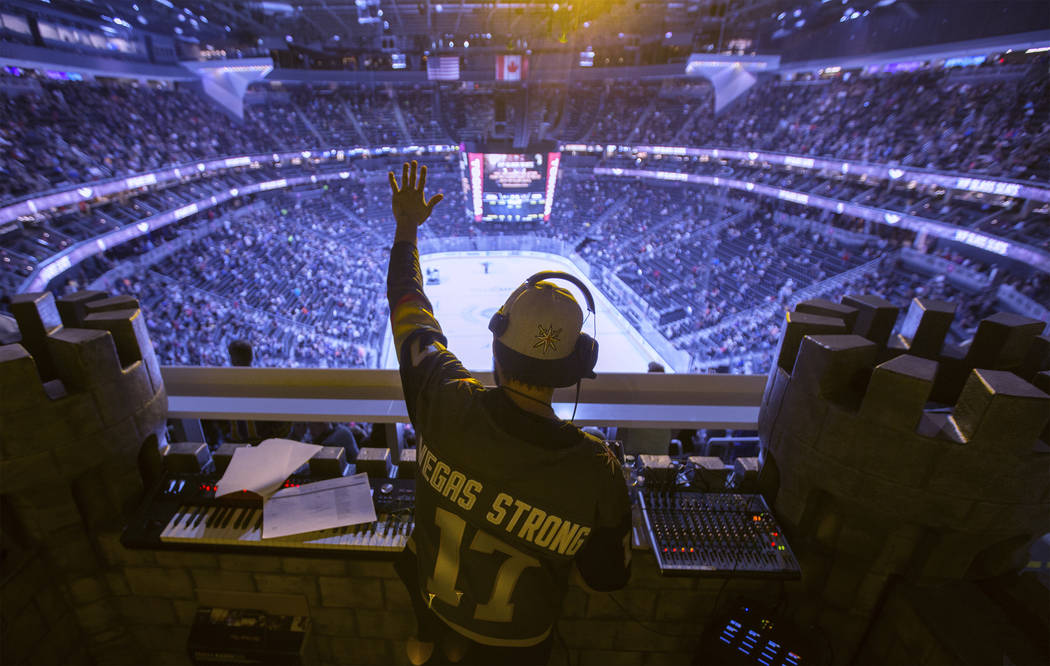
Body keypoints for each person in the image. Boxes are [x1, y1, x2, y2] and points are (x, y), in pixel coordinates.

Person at [386, 161, 631, 665]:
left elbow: (408, 304)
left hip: (435, 630)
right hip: (520, 650)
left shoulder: (444, 395)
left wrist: (407, 227)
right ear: (576, 368)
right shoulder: (595, 469)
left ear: (495, 350)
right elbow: (603, 579)